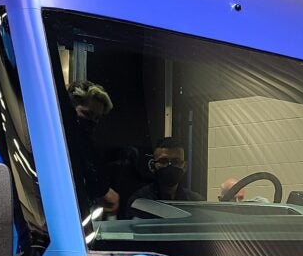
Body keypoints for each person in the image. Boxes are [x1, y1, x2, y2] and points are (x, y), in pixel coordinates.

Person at [64, 80, 120, 216]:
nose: (92, 122)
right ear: (70, 108)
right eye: (87, 114)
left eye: (97, 118)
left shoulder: (88, 144)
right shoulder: (60, 143)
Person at [125, 137, 203, 213]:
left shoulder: (195, 201)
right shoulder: (139, 203)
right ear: (152, 166)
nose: (169, 166)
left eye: (176, 161)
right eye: (163, 161)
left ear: (185, 166)